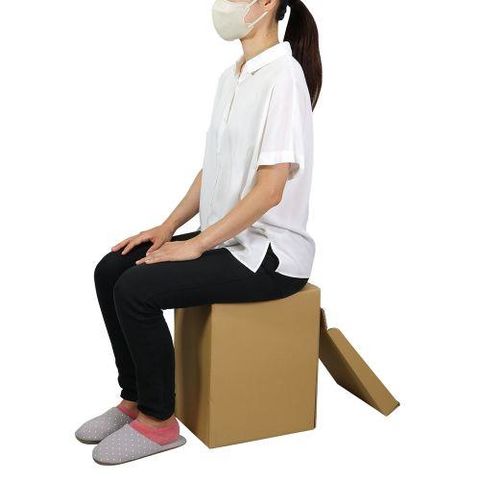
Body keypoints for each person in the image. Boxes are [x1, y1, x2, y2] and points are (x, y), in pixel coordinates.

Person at [75, 0, 322, 465]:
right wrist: (167, 228)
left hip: (269, 256)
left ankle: (159, 422)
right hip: (228, 240)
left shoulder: (284, 77)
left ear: (267, 4)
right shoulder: (232, 77)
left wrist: (196, 245)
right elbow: (214, 169)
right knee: (111, 270)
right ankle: (135, 398)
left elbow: (270, 190)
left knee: (136, 290)